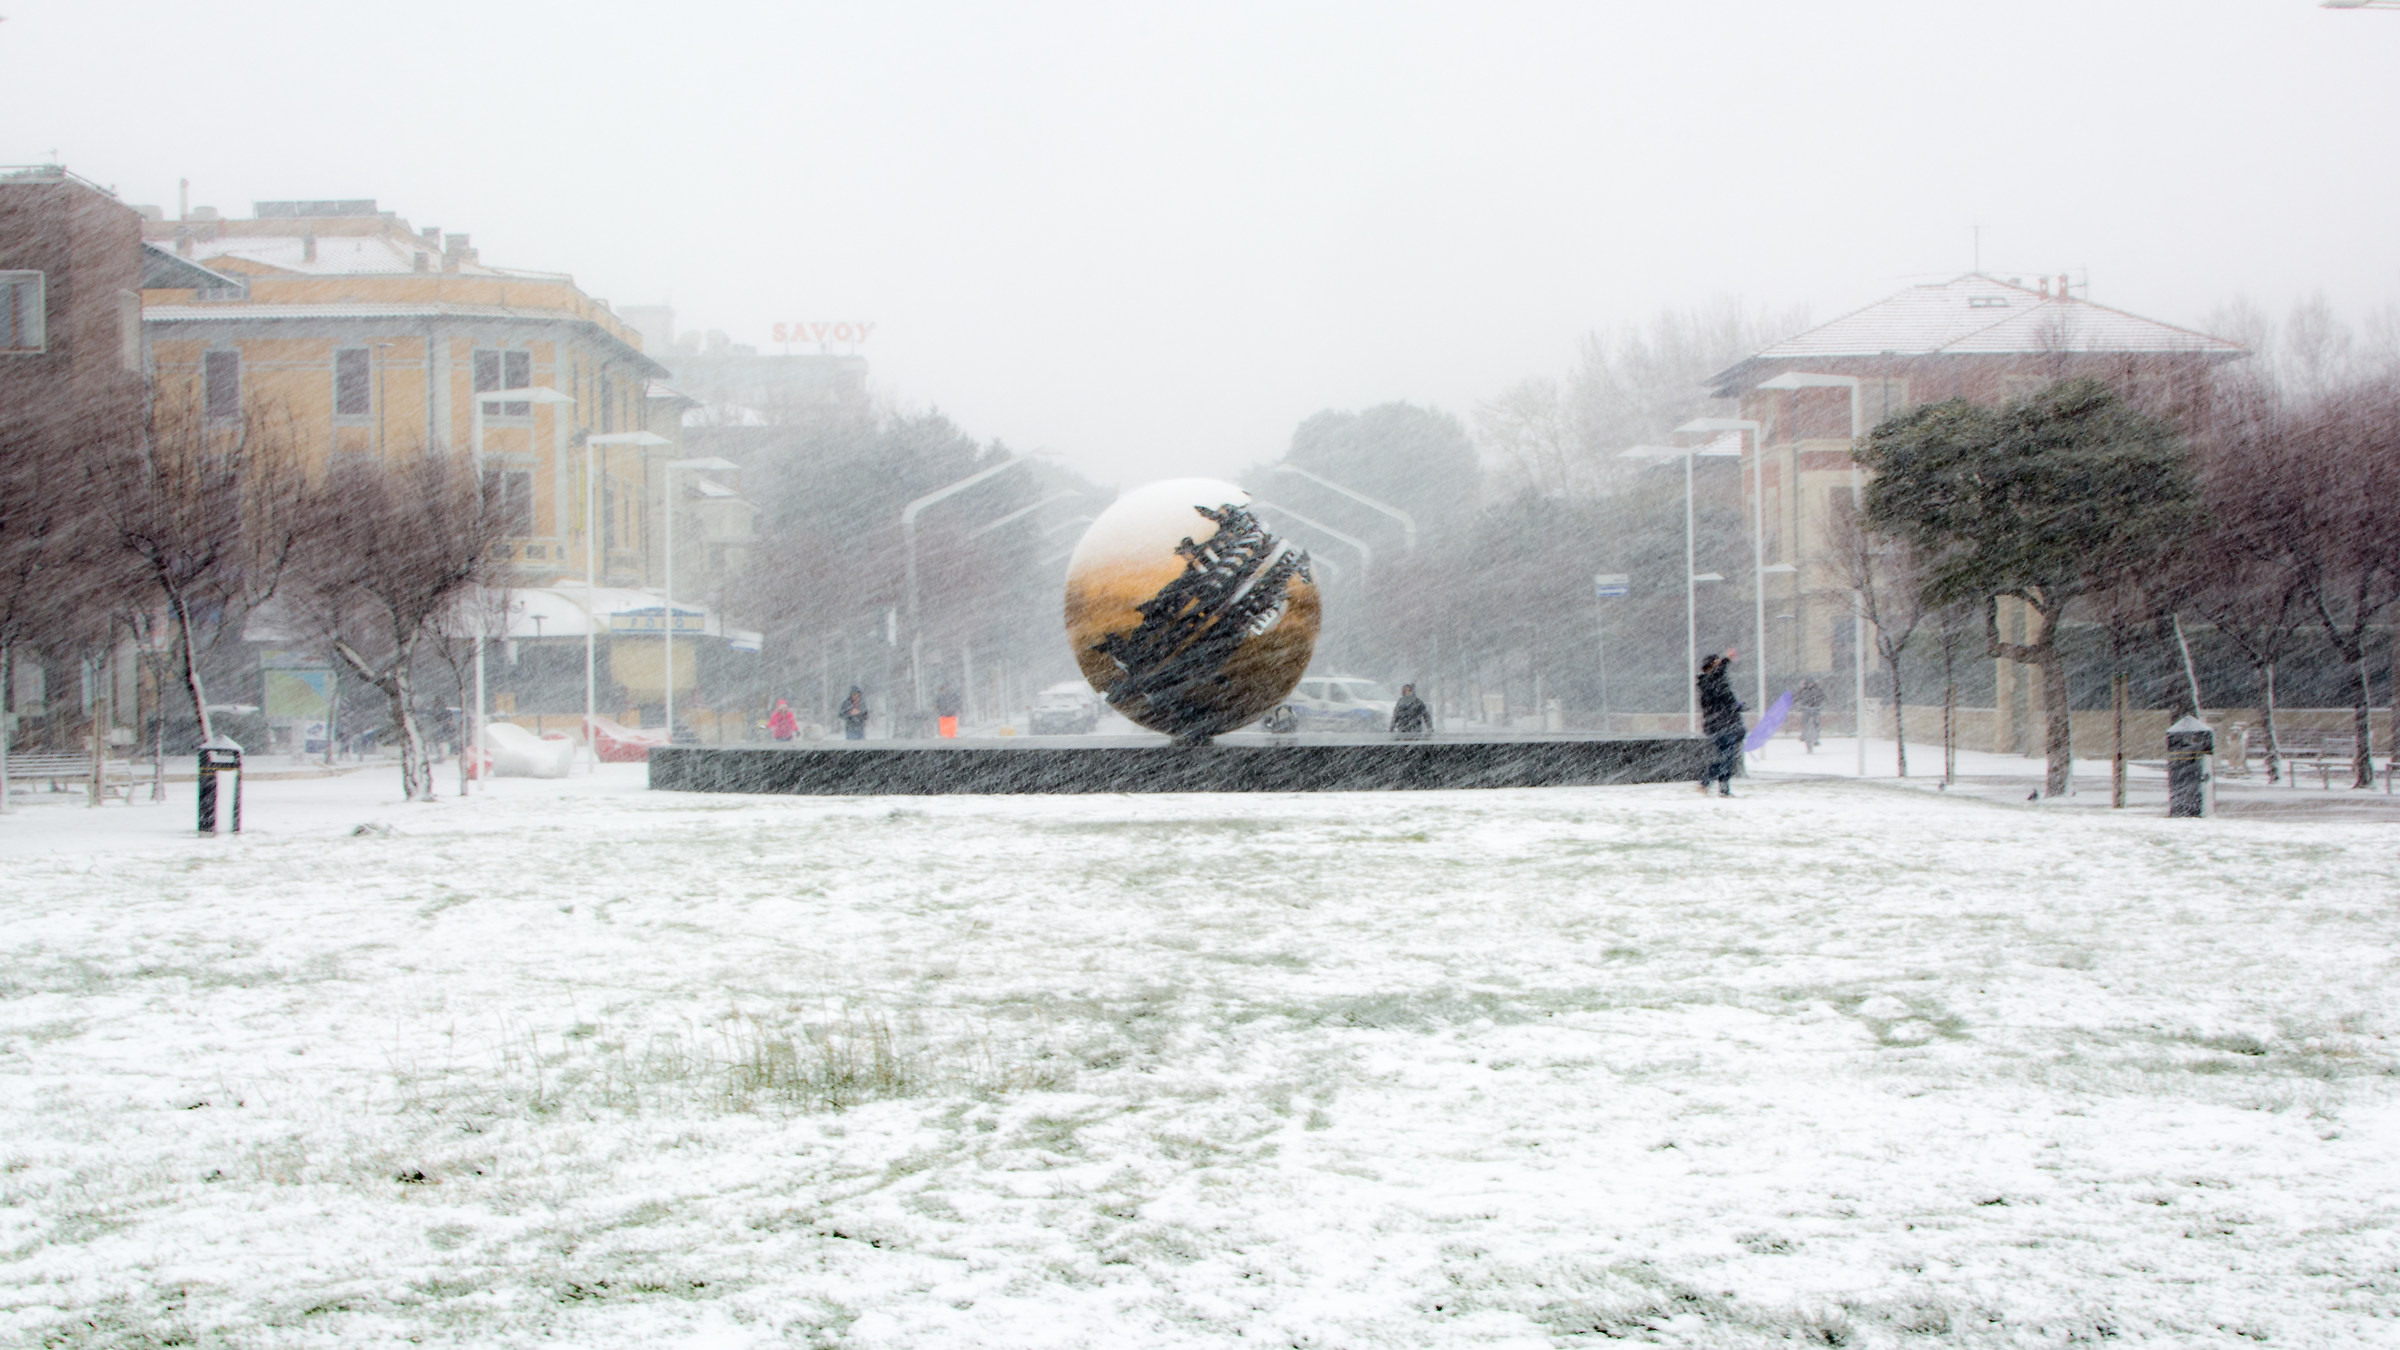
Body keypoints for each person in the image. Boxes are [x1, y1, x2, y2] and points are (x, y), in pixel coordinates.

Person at [1697, 652, 1745, 796]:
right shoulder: (1710, 682)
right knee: (1726, 756)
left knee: (1727, 756)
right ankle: (1706, 782)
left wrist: (1737, 707)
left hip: (1723, 723)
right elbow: (1720, 703)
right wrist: (1726, 660)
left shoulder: (1715, 682)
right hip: (1719, 725)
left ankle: (1722, 788)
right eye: (1716, 663)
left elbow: (1725, 702)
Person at [1794, 678, 1824, 753]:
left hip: (1815, 709)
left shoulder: (1818, 690)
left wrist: (1821, 705)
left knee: (1817, 723)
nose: (1810, 685)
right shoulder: (1802, 691)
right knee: (1804, 723)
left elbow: (1823, 698)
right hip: (1806, 709)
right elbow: (1796, 698)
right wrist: (1798, 705)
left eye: (1812, 683)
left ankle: (1816, 738)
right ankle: (1804, 735)